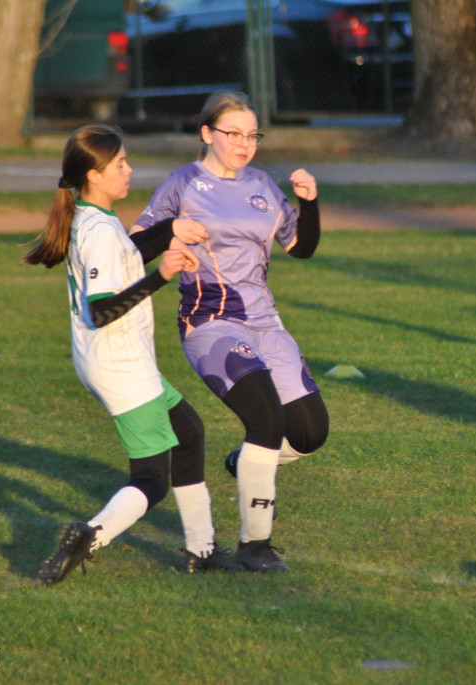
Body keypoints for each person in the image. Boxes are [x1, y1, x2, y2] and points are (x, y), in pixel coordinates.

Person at [22, 124, 241, 584]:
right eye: (120, 163)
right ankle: (90, 535)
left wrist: (169, 231)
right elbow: (102, 310)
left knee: (189, 432)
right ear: (95, 175)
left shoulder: (94, 217)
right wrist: (161, 275)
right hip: (120, 365)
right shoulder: (97, 229)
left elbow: (126, 253)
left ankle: (201, 550)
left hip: (122, 361)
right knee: (151, 479)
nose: (130, 169)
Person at [130, 91, 329, 573]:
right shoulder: (183, 183)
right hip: (210, 322)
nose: (244, 144)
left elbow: (300, 247)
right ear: (206, 135)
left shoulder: (262, 184)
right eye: (232, 134)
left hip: (266, 323)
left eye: (252, 135)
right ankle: (254, 546)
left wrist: (310, 204)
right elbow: (134, 247)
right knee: (266, 420)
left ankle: (247, 464)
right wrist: (173, 228)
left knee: (309, 432)